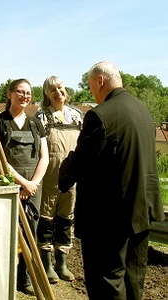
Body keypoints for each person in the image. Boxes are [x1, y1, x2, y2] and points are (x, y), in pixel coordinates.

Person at [58, 61, 165, 300]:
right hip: (141, 213)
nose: (93, 93)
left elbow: (82, 160)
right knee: (134, 281)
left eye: (91, 86)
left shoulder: (100, 115)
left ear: (100, 81)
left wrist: (63, 174)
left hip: (109, 218)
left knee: (107, 283)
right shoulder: (143, 111)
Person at [0, 78, 49, 295]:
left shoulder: (37, 123)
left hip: (34, 186)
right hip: (9, 184)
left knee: (30, 233)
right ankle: (4, 277)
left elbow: (44, 157)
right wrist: (22, 183)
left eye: (28, 93)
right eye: (20, 92)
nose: (25, 96)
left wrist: (33, 184)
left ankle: (25, 279)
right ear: (10, 94)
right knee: (6, 232)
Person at [35, 76, 82, 283]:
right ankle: (46, 265)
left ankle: (62, 263)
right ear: (47, 94)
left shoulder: (76, 116)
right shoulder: (41, 117)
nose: (57, 92)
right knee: (46, 220)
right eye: (52, 89)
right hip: (49, 177)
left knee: (66, 219)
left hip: (71, 177)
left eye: (60, 87)